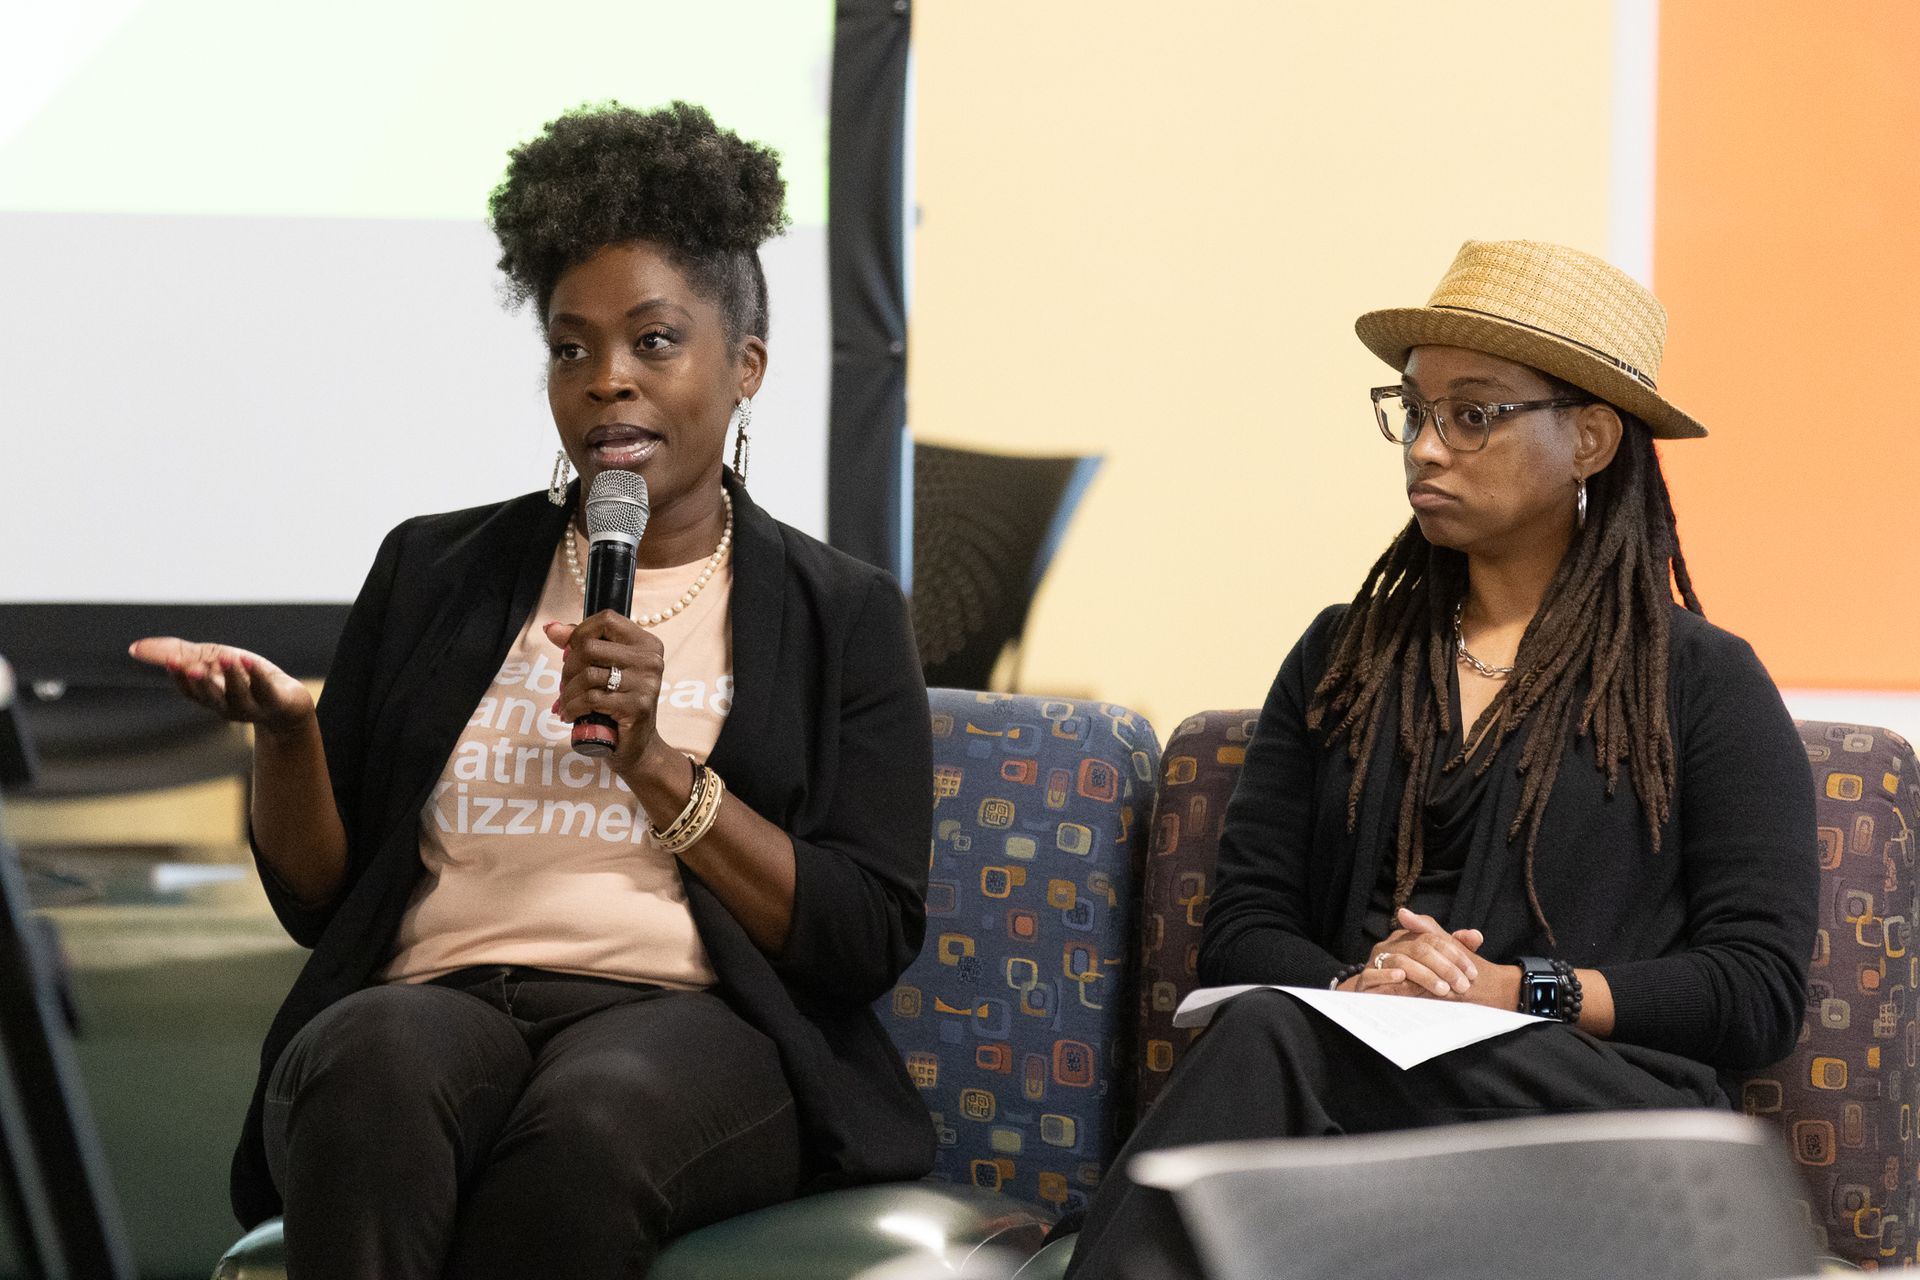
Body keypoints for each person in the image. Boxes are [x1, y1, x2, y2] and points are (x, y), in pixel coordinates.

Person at [131, 101, 934, 1278]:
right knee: (367, 1067)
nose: (608, 381)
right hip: (441, 991)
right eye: (571, 347)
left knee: (594, 1124)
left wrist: (658, 762)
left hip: (693, 1017)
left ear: (744, 364)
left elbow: (863, 932)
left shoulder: (843, 611)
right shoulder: (434, 568)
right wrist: (293, 739)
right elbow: (323, 902)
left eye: (655, 340)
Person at [1062, 240, 1818, 1279]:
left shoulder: (1700, 679)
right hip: (1355, 1073)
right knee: (1274, 1036)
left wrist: (1513, 988)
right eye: (1412, 409)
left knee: (1271, 1049)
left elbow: (1755, 988)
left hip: (1595, 1115)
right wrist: (1366, 980)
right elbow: (1243, 930)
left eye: (1473, 413)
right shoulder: (1343, 657)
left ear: (1590, 437)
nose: (1425, 445)